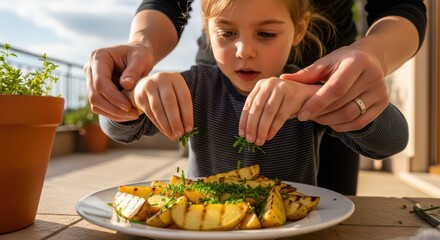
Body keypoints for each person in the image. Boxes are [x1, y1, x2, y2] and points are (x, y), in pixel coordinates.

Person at [84, 0, 426, 194]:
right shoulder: (196, 86)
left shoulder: (306, 96)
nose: (244, 51)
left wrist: (327, 99)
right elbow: (118, 130)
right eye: (227, 33)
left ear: (300, 30)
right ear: (207, 31)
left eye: (265, 33)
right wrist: (136, 93)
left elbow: (392, 141)